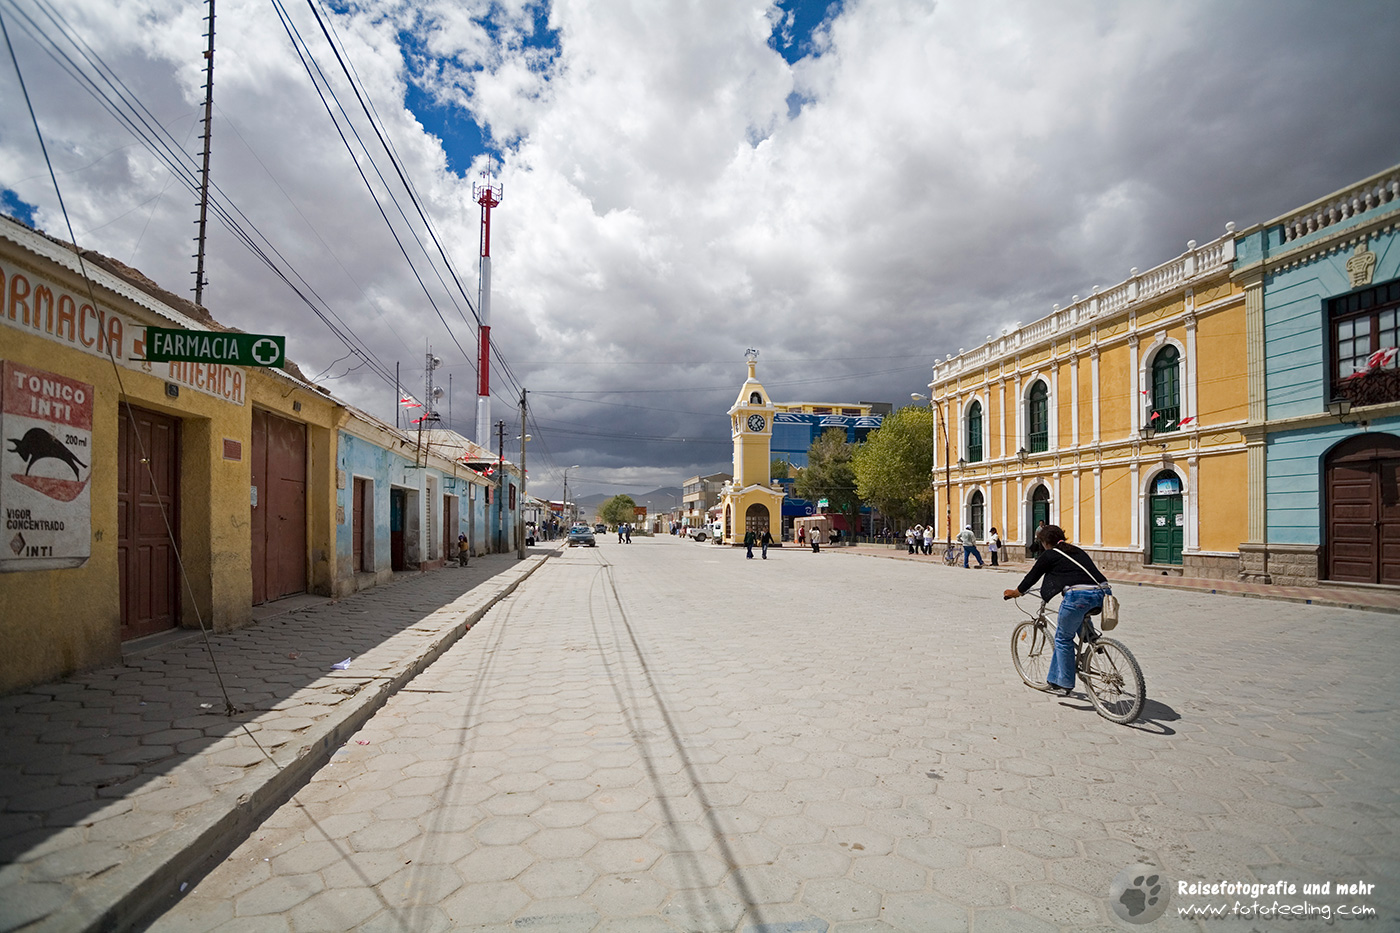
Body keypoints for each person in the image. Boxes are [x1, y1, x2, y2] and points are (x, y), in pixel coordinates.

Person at [1003, 524, 1111, 695]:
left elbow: (1032, 576)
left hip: (1078, 597)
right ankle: (1092, 639)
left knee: (1062, 639)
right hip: (1102, 593)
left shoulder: (1049, 555)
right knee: (1078, 616)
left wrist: (1017, 592)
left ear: (1045, 542)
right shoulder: (1076, 550)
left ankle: (1065, 681)